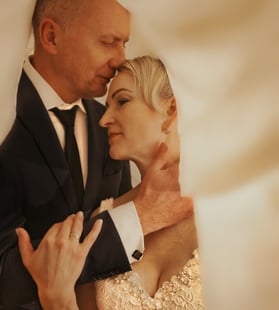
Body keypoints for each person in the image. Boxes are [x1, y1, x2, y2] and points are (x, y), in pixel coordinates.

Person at [0, 1, 192, 308]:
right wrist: (138, 216)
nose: (119, 59)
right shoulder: (5, 119)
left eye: (124, 43)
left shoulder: (108, 128)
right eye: (107, 42)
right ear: (50, 36)